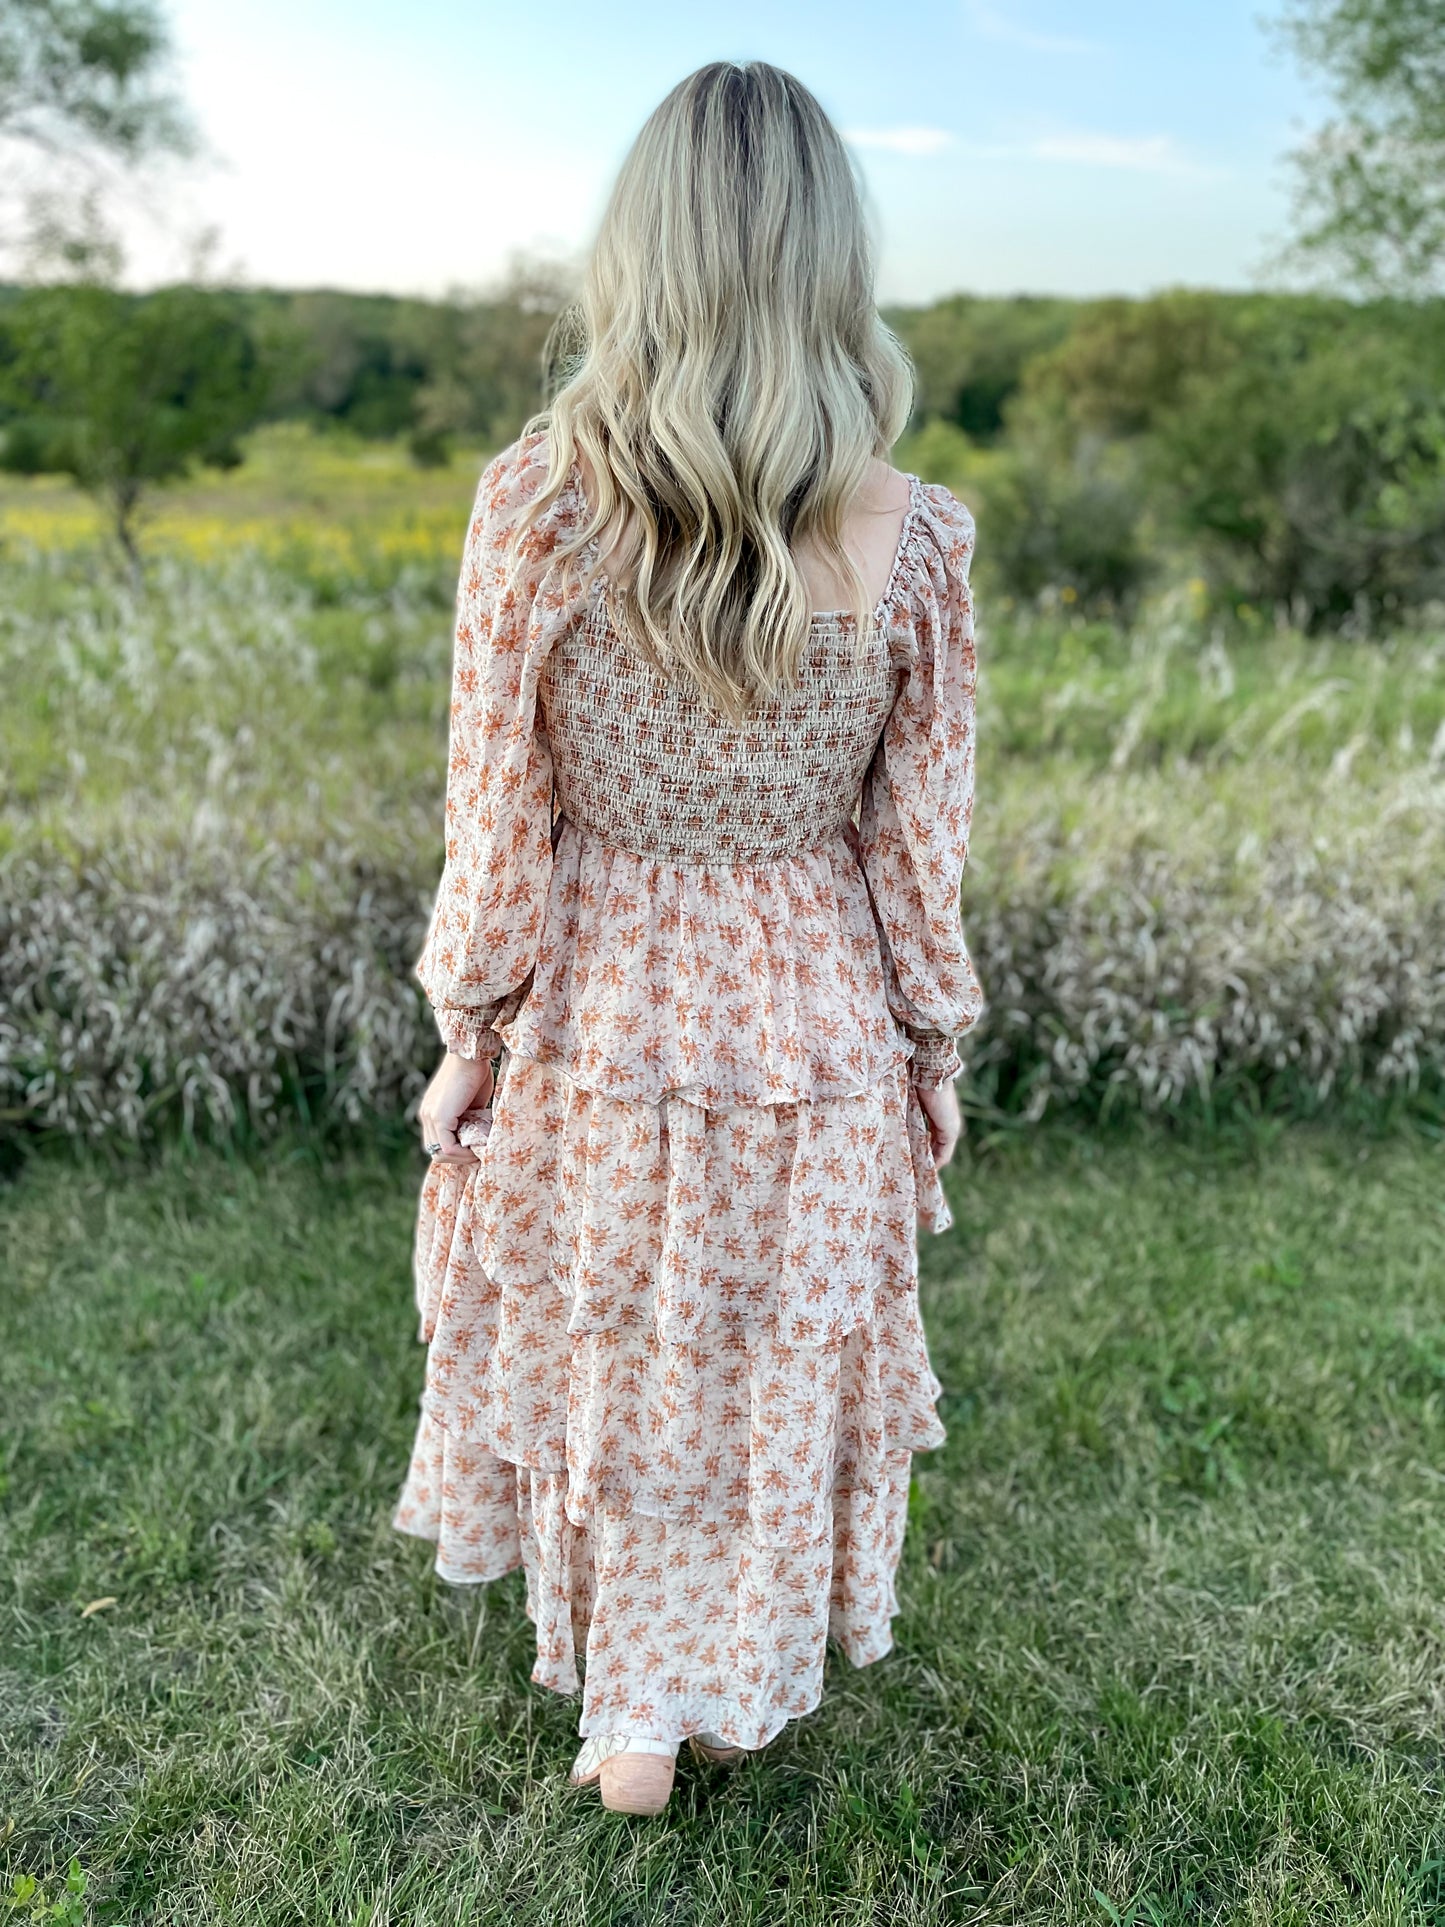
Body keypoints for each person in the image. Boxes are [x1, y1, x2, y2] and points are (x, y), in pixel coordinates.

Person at [391, 58, 984, 1817]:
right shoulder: (920, 536)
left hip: (607, 1001)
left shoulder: (537, 502)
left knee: (625, 1341)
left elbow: (493, 813)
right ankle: (727, 1679)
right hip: (810, 1011)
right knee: (764, 1347)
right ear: (830, 261)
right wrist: (929, 1044)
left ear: (634, 257)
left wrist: (469, 1028)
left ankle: (633, 1707)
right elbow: (912, 844)